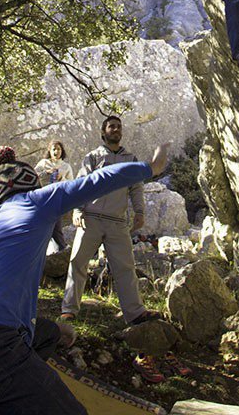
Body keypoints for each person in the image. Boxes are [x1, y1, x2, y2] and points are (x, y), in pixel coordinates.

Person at [0, 144, 168, 415]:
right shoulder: (38, 201)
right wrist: (150, 168)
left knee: (48, 333)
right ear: (34, 184)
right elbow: (97, 180)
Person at [61, 116, 158, 327]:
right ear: (103, 131)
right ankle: (68, 310)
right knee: (77, 262)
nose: (116, 130)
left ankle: (135, 313)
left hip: (117, 221)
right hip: (91, 218)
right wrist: (77, 209)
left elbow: (136, 187)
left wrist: (139, 212)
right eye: (111, 126)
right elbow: (81, 183)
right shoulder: (93, 157)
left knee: (125, 267)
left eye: (119, 127)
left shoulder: (131, 159)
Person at [35, 140, 74, 251]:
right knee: (49, 225)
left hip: (58, 200)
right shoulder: (43, 163)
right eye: (54, 149)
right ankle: (60, 248)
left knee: (55, 224)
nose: (56, 151)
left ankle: (60, 248)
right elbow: (33, 175)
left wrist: (62, 178)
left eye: (58, 149)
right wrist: (46, 172)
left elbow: (71, 184)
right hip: (43, 198)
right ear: (50, 151)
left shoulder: (66, 166)